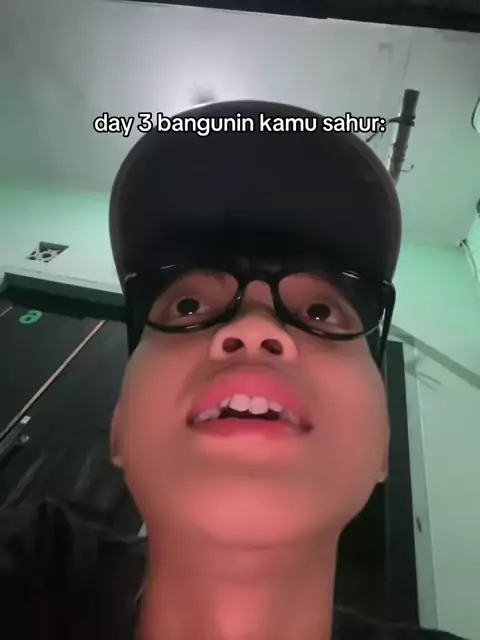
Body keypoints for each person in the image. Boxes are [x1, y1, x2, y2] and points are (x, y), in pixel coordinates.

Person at [0, 100, 466, 640]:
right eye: (189, 306)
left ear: (383, 443)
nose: (252, 329)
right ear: (121, 425)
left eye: (320, 312)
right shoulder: (30, 567)